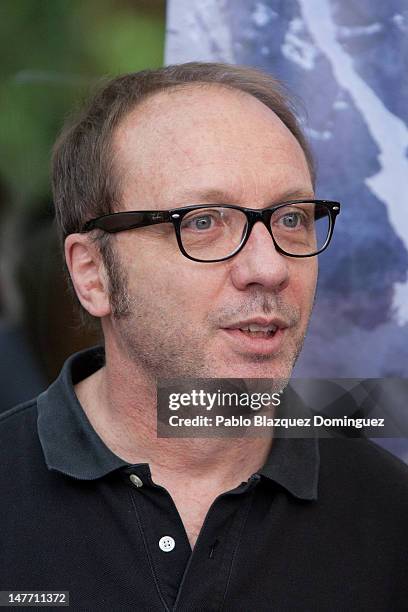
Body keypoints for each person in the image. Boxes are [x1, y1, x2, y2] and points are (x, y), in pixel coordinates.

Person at [0, 62, 406, 611]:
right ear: (93, 273)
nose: (269, 267)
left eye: (291, 219)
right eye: (203, 221)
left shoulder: (387, 517)